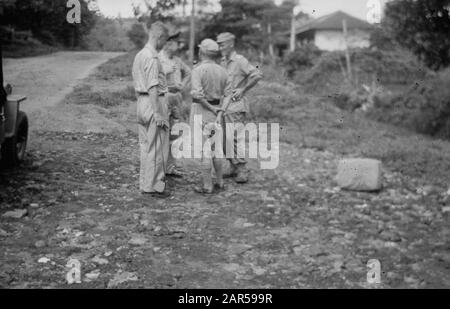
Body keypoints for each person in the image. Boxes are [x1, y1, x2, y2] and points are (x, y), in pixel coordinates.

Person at [216, 32, 263, 184]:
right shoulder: (223, 60)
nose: (220, 47)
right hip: (224, 106)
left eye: (222, 44)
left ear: (231, 44)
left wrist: (243, 89)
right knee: (225, 138)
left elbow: (256, 75)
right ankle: (232, 166)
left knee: (234, 138)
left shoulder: (239, 60)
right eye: (218, 44)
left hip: (236, 106)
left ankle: (242, 169)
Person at [132, 21, 171, 198]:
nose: (165, 44)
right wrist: (158, 113)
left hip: (141, 101)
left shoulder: (140, 55)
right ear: (159, 37)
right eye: (165, 40)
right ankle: (154, 185)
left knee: (146, 146)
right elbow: (153, 87)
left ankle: (146, 183)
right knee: (157, 147)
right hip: (153, 102)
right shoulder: (152, 57)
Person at [190, 39, 228, 194]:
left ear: (202, 52)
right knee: (216, 148)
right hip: (218, 112)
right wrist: (219, 111)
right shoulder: (223, 70)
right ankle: (219, 181)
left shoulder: (198, 70)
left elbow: (197, 96)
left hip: (202, 111)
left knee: (204, 150)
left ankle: (207, 185)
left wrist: (211, 108)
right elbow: (228, 94)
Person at [159, 29, 191, 178]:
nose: (179, 46)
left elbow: (189, 72)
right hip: (163, 97)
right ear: (168, 44)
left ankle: (170, 167)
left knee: (176, 132)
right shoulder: (157, 59)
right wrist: (164, 72)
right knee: (161, 133)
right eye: (176, 43)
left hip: (176, 98)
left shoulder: (177, 60)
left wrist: (183, 85)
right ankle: (159, 167)